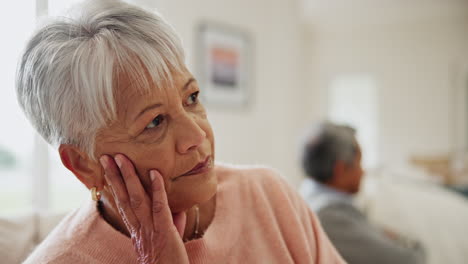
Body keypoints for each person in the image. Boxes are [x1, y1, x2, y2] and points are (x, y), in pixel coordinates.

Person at [16, 1, 345, 263]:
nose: (198, 135)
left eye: (192, 98)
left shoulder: (270, 196)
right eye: (155, 122)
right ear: (83, 164)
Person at [299, 122, 426, 264]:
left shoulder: (305, 201)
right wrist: (404, 241)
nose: (363, 172)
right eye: (359, 163)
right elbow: (411, 261)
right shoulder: (330, 219)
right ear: (340, 169)